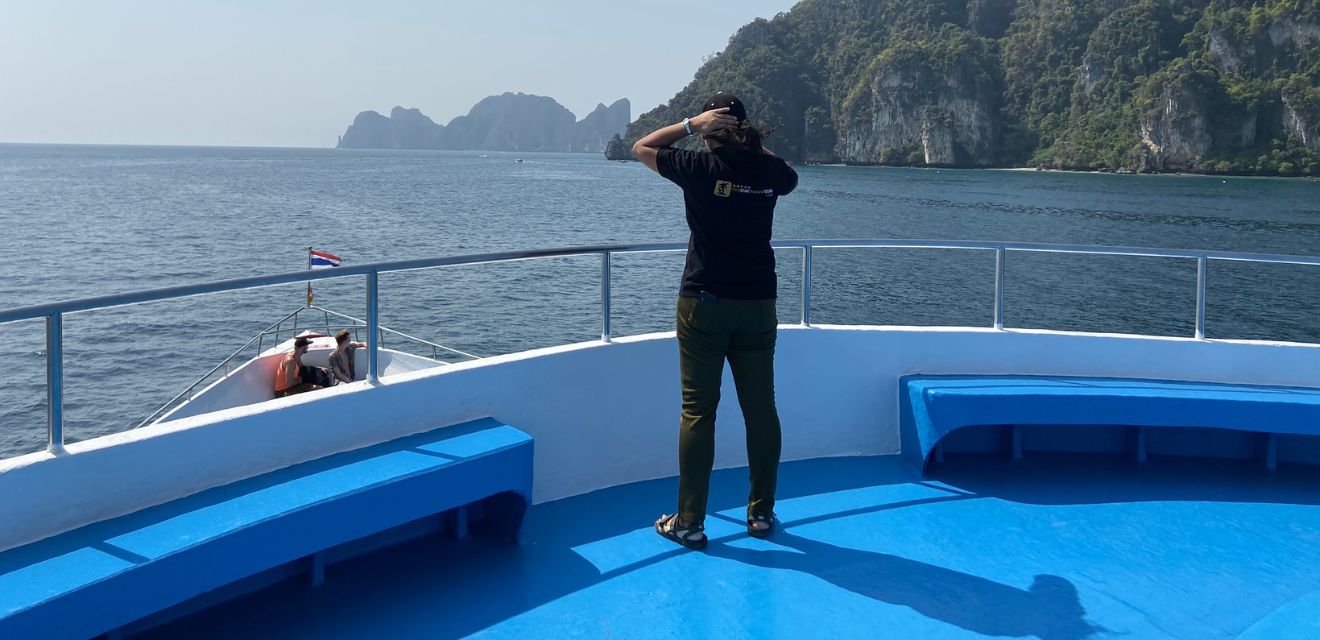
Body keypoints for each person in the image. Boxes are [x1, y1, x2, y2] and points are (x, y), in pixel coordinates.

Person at [632, 93, 799, 549]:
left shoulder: (700, 169)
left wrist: (691, 123)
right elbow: (790, 177)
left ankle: (690, 521)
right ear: (745, 129)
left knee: (698, 411)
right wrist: (750, 141)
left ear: (709, 132)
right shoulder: (770, 172)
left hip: (704, 303)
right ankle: (761, 514)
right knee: (760, 409)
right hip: (758, 303)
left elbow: (642, 147)